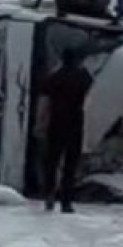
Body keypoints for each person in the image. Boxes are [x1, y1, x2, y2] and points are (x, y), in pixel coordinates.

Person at [37, 47, 94, 213]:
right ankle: (66, 201)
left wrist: (40, 123)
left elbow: (44, 102)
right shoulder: (84, 77)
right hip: (75, 124)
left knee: (51, 162)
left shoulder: (54, 77)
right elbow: (91, 99)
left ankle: (49, 195)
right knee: (70, 164)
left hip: (56, 123)